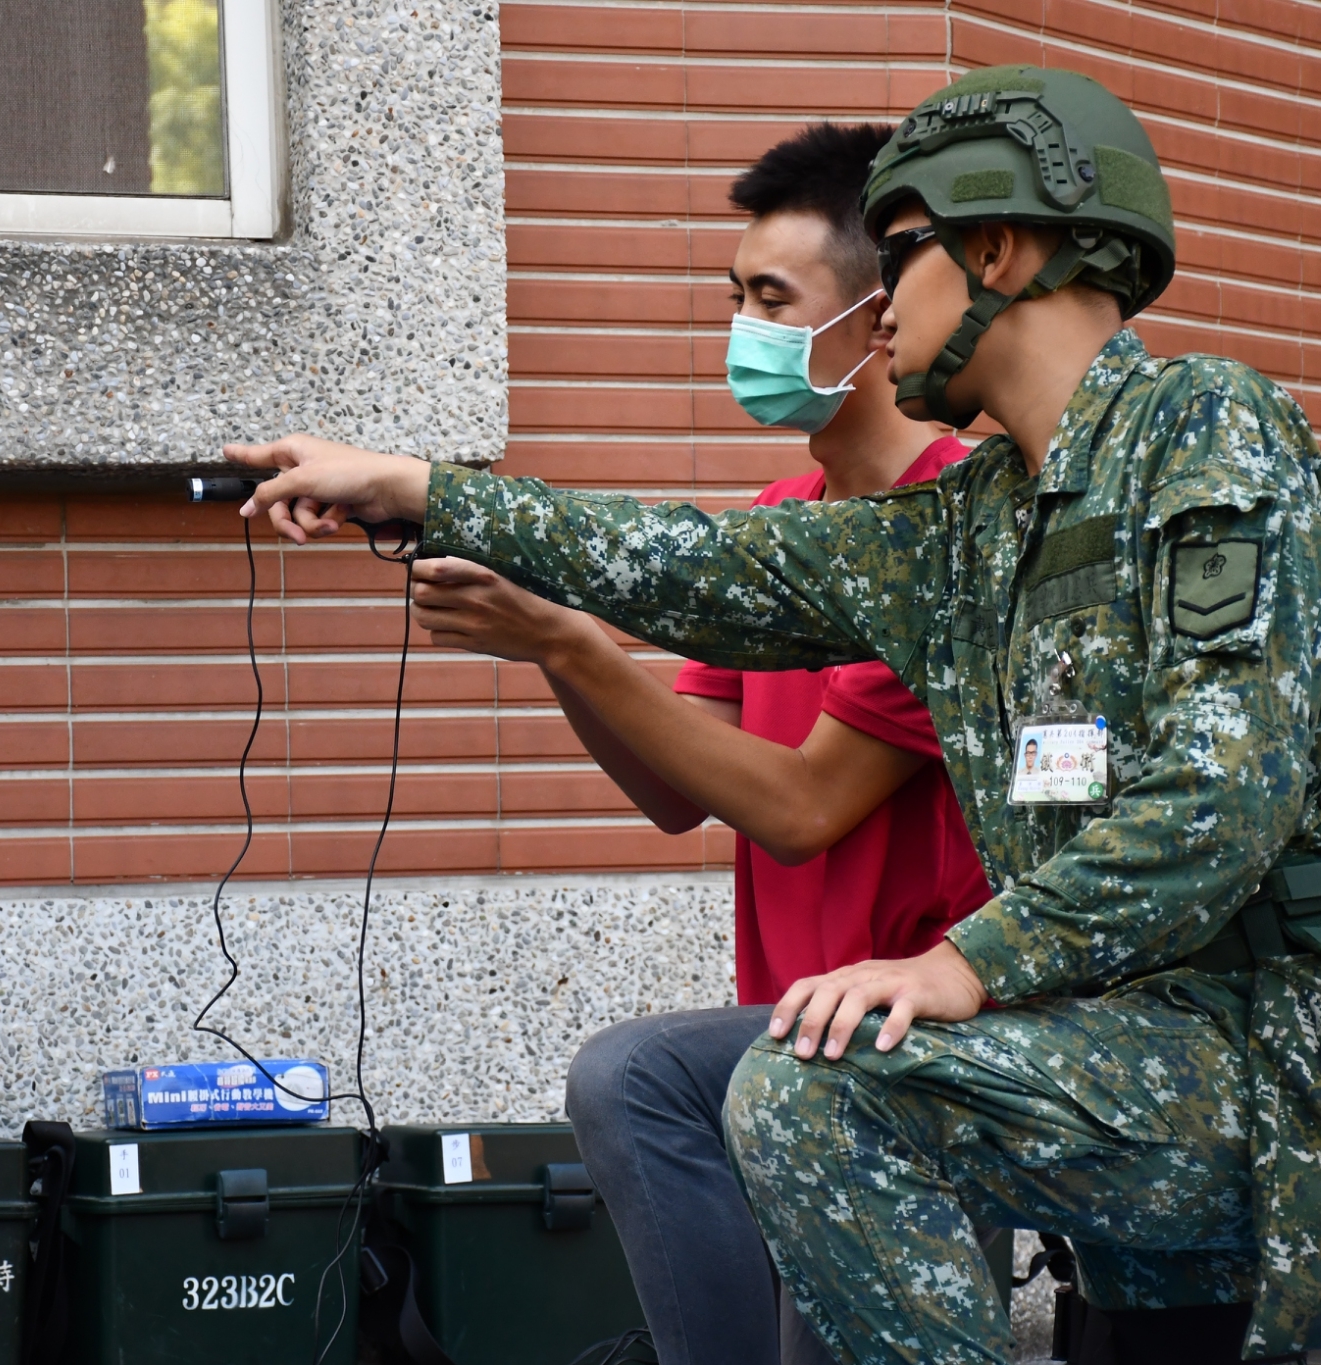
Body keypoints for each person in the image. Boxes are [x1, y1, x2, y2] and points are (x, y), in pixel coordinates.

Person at [230, 65, 1321, 1365]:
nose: (880, 320)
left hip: (1263, 1064)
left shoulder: (1206, 426)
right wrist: (422, 490)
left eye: (904, 260)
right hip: (1098, 1062)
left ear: (996, 250)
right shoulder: (966, 527)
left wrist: (964, 964)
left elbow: (1223, 790)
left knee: (816, 1093)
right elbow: (695, 569)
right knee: (724, 1080)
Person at [402, 124, 992, 1365]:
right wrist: (551, 642)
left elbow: (796, 808)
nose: (742, 329)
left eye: (771, 299)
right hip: (788, 1027)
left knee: (632, 1077)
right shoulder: (779, 527)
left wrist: (572, 645)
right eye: (733, 298)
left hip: (913, 1039)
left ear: (876, 321)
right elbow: (678, 789)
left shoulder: (947, 535)